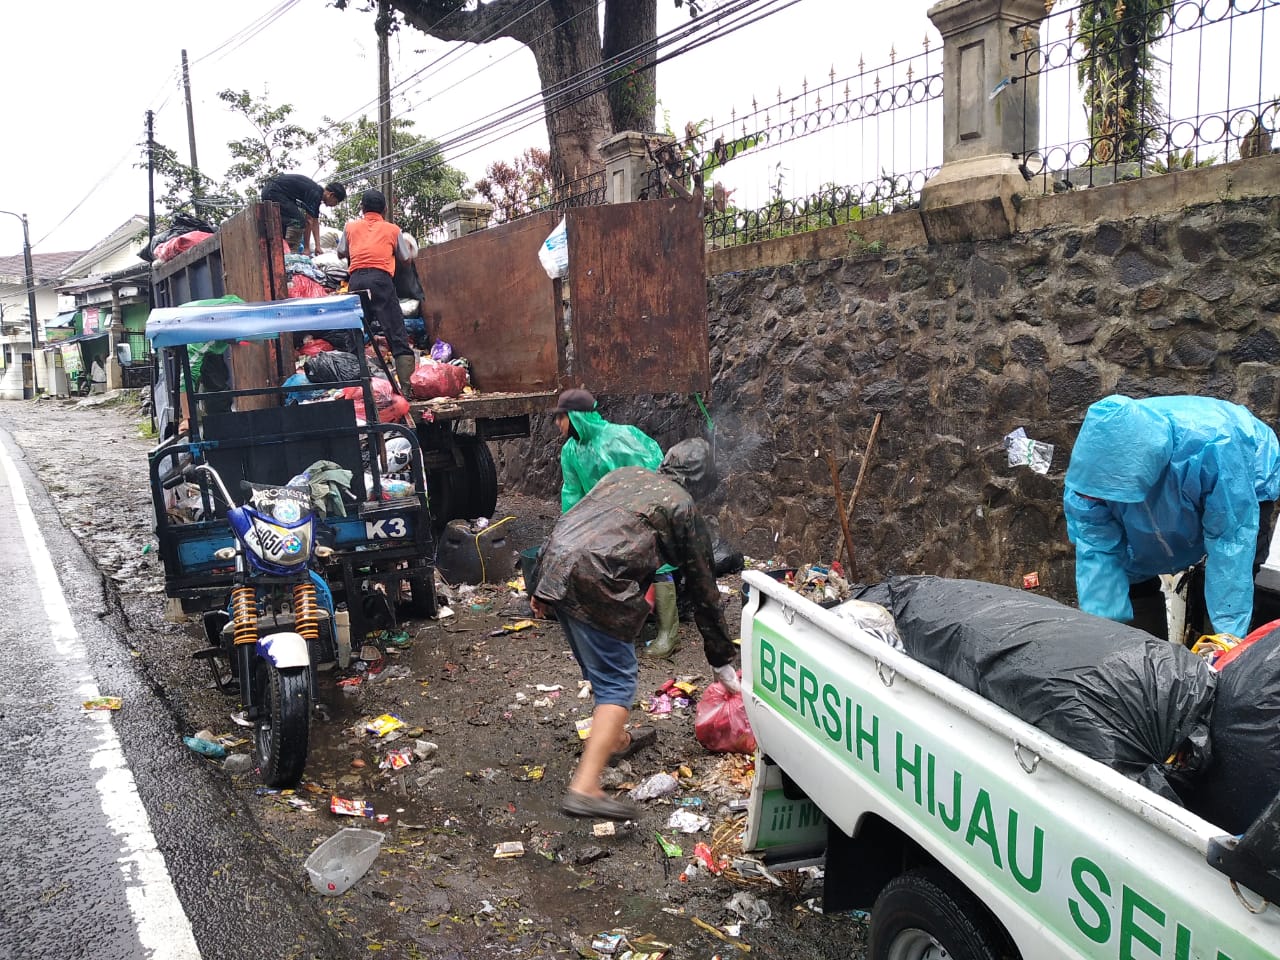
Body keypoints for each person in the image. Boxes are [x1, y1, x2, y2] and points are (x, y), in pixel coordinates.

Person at [529, 438, 740, 820]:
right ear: (702, 480)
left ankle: (616, 739)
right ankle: (585, 788)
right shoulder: (682, 504)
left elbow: (573, 518)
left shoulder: (624, 475)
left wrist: (540, 584)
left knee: (601, 669)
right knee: (617, 683)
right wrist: (722, 658)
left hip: (557, 565)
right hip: (599, 578)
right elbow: (704, 588)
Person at [1064, 394, 1280, 641]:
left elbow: (1230, 542)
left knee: (1231, 573)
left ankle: (1222, 659)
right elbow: (1099, 555)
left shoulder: (1217, 448)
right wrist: (1103, 635)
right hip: (1157, 478)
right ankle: (1143, 656)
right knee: (1129, 571)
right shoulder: (1085, 486)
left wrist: (1228, 636)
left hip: (1244, 470)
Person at [552, 389, 682, 655]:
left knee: (658, 563)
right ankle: (614, 623)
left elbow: (651, 478)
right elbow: (573, 494)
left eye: (560, 417)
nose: (557, 424)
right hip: (607, 519)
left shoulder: (622, 438)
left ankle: (668, 633)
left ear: (575, 417)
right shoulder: (570, 451)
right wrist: (570, 532)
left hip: (645, 513)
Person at [337, 189, 417, 392]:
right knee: (396, 332)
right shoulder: (392, 230)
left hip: (356, 281)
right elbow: (406, 259)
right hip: (381, 281)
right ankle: (407, 389)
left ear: (362, 209)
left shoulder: (350, 227)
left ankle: (355, 386)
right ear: (385, 209)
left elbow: (340, 253)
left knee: (354, 331)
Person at [260, 174, 346, 255]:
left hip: (274, 192)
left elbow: (315, 222)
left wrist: (318, 246)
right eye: (336, 202)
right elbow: (308, 221)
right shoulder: (315, 194)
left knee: (287, 224)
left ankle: (282, 248)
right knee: (299, 221)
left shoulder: (317, 195)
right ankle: (291, 250)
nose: (334, 205)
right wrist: (307, 248)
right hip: (273, 192)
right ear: (331, 195)